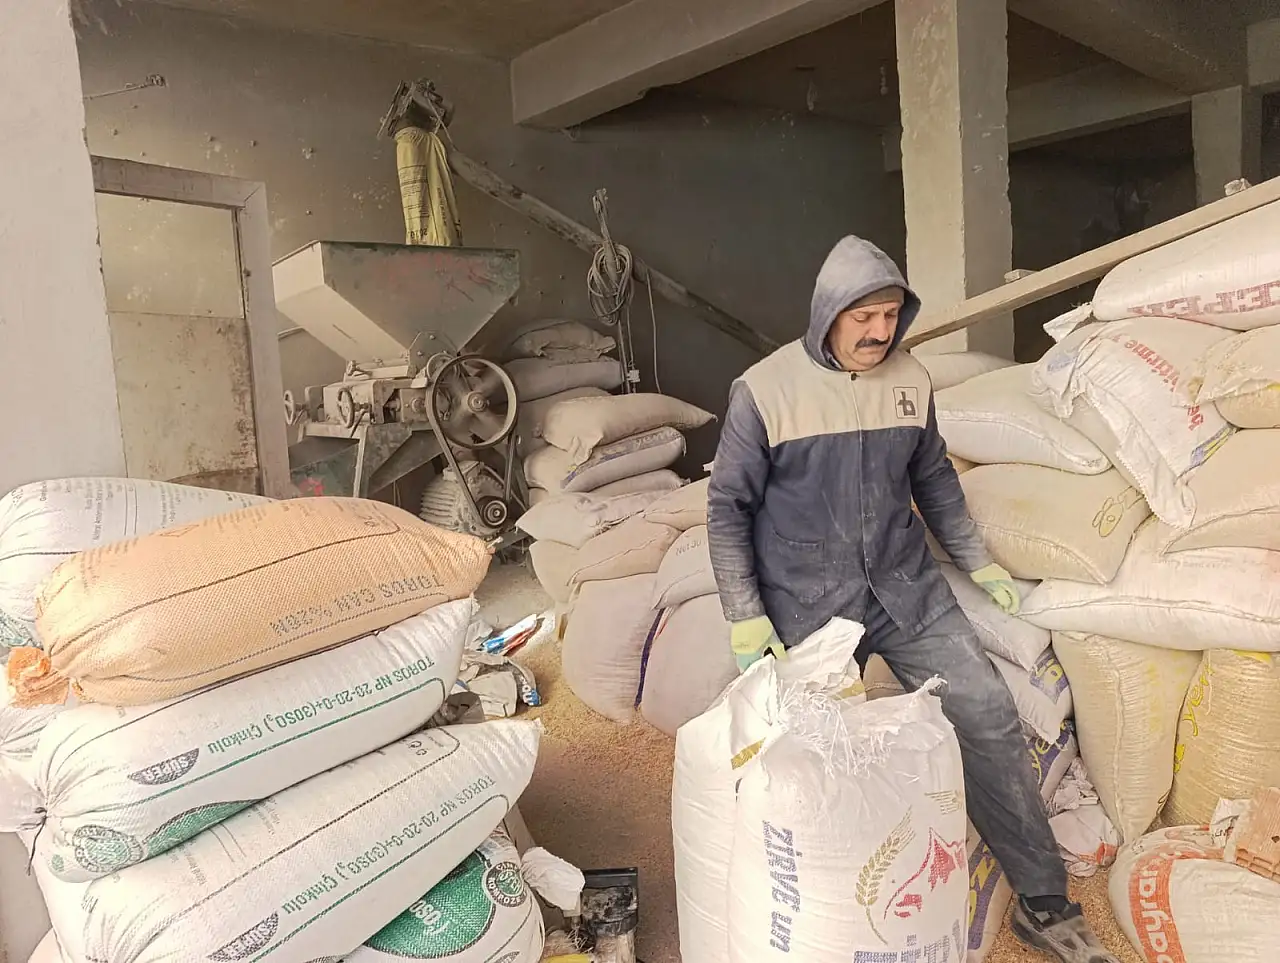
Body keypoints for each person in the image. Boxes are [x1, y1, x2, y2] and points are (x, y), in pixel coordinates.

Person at [706, 235, 1118, 963]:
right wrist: (746, 613)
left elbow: (934, 479)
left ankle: (1044, 899)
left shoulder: (911, 381)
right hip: (806, 600)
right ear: (827, 314)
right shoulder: (764, 391)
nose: (879, 331)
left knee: (988, 713)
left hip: (904, 587)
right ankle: (815, 909)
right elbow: (727, 507)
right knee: (806, 754)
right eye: (862, 316)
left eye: (891, 315)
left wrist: (979, 562)